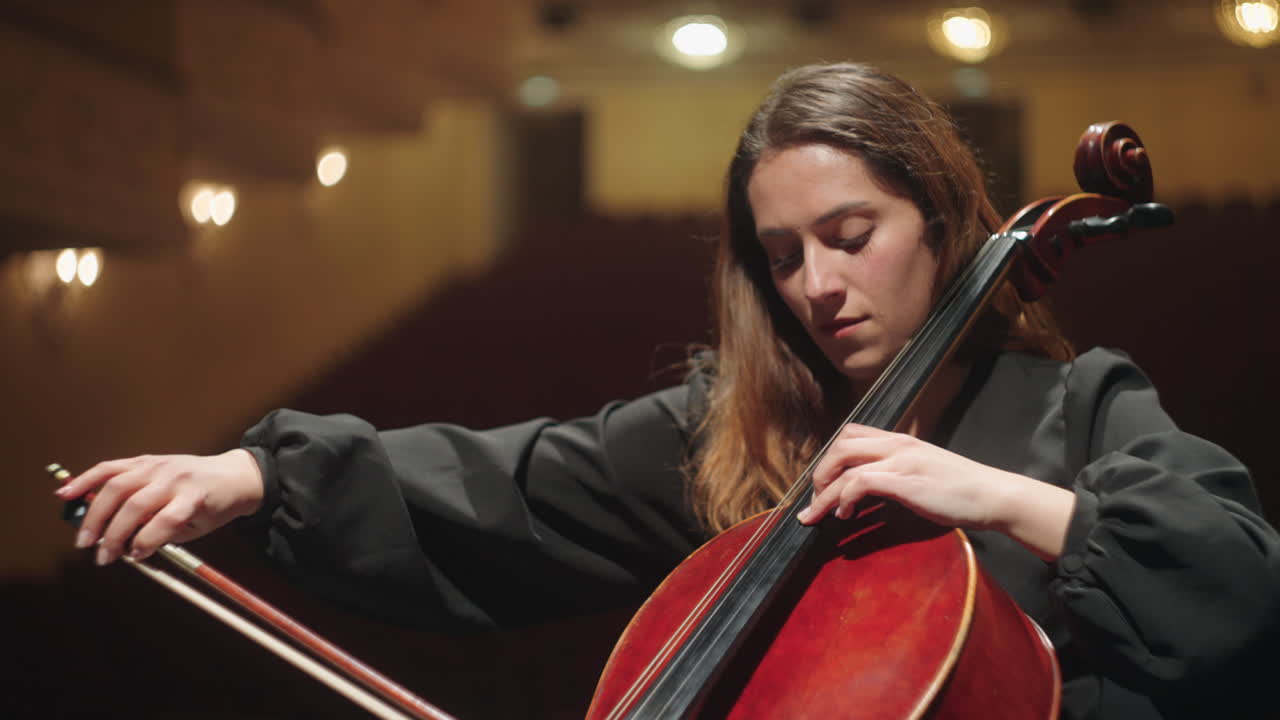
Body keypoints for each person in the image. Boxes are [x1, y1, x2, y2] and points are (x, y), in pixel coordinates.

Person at [58, 63, 1279, 719]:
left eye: (851, 233)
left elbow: (1235, 580)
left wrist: (999, 498)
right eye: (782, 254)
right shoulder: (741, 435)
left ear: (944, 221)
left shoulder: (1079, 408)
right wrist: (255, 471)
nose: (815, 283)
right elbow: (510, 486)